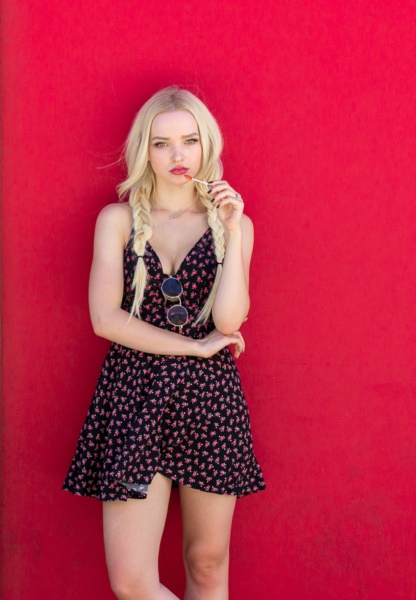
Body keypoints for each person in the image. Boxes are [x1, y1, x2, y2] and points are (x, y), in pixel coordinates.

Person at [62, 85, 266, 600]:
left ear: (206, 146)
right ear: (144, 151)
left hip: (210, 400)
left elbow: (229, 318)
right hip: (135, 396)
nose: (179, 155)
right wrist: (192, 348)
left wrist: (232, 231)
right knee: (131, 581)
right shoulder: (117, 220)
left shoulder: (235, 226)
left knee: (206, 564)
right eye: (162, 143)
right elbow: (105, 319)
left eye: (190, 141)